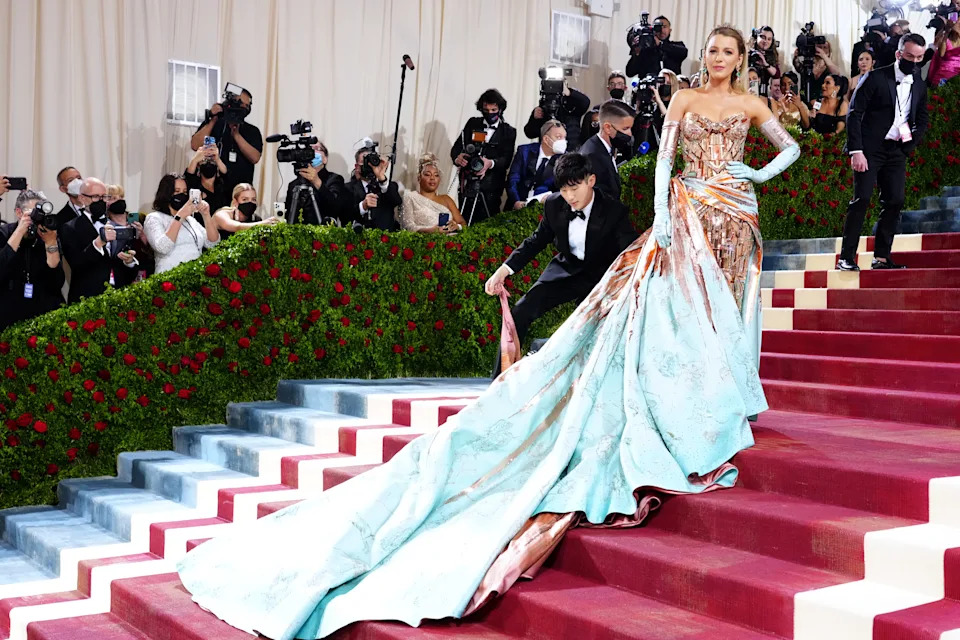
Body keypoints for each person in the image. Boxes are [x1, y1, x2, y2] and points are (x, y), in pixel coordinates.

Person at [176, 25, 795, 640]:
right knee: (680, 314)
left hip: (735, 215)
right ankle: (684, 406)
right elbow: (661, 166)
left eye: (726, 53)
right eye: (710, 50)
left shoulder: (750, 103)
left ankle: (722, 398)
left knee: (726, 309)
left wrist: (756, 176)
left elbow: (787, 149)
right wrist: (663, 216)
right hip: (686, 212)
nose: (716, 59)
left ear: (741, 60)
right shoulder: (683, 101)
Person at [488, 151, 638, 376]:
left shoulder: (613, 210)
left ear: (591, 181)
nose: (569, 196)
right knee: (521, 311)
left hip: (601, 277)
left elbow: (629, 252)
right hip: (566, 269)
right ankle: (499, 380)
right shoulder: (553, 205)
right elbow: (535, 241)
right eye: (564, 189)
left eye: (574, 188)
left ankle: (569, 373)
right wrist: (503, 270)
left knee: (584, 331)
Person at [840, 34, 929, 272]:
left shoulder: (919, 82)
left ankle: (881, 257)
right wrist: (856, 151)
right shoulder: (876, 77)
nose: (915, 61)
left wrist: (908, 146)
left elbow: (922, 118)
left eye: (920, 57)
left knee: (895, 200)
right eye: (911, 56)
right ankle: (846, 258)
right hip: (869, 150)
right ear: (899, 53)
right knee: (862, 200)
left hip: (896, 150)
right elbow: (854, 114)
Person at [60, 177, 138, 303]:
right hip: (88, 299)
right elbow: (77, 265)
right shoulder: (70, 228)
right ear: (82, 198)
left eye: (104, 197)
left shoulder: (116, 224)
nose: (101, 201)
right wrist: (98, 243)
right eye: (96, 197)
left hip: (120, 296)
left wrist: (129, 262)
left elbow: (122, 263)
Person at [0, 189, 64, 330]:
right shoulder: (5, 233)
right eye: (33, 213)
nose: (37, 219)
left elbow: (57, 282)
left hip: (43, 311)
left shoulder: (47, 235)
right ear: (19, 213)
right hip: (9, 312)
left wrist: (51, 243)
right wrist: (20, 231)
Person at [451, 89, 517, 223]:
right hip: (468, 184)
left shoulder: (508, 132)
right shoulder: (472, 124)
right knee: (464, 220)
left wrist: (490, 163)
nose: (490, 114)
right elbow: (456, 148)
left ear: (500, 109)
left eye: (494, 110)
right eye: (486, 110)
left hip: (492, 187)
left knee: (488, 223)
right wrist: (458, 158)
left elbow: (506, 160)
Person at [143, 173, 219, 273]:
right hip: (169, 279)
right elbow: (163, 247)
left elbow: (213, 243)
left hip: (194, 277)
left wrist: (206, 215)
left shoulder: (190, 220)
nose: (181, 195)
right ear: (166, 194)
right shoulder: (154, 218)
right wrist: (180, 216)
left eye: (184, 192)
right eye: (176, 191)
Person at [190, 87, 263, 190]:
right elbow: (195, 145)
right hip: (212, 188)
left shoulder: (252, 131)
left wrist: (236, 135)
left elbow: (255, 157)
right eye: (240, 103)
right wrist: (213, 119)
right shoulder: (215, 124)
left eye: (247, 106)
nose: (244, 108)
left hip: (239, 191)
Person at [578, 100, 635, 200]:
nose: (629, 134)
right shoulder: (593, 157)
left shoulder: (605, 149)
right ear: (608, 128)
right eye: (625, 128)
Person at [397, 153, 466, 233]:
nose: (432, 178)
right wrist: (432, 231)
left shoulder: (446, 199)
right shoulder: (410, 197)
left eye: (436, 175)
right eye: (427, 175)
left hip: (449, 241)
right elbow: (408, 226)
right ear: (419, 178)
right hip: (423, 242)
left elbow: (463, 224)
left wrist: (457, 226)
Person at [505, 120, 566, 210]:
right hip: (516, 205)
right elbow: (513, 179)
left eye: (564, 137)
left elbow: (563, 188)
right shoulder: (524, 151)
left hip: (545, 211)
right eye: (559, 137)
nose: (563, 141)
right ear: (546, 139)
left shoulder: (564, 160)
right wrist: (516, 201)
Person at [283, 140, 347, 225]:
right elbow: (289, 215)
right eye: (309, 149)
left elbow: (335, 207)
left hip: (323, 234)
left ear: (325, 159)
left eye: (317, 148)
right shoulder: (294, 185)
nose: (312, 151)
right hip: (298, 234)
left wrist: (316, 181)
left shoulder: (335, 179)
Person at [344, 142, 402, 231]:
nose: (369, 166)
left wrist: (381, 177)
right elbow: (344, 215)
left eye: (372, 162)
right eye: (365, 162)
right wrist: (363, 206)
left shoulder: (388, 186)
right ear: (357, 166)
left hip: (385, 240)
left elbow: (396, 201)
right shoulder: (347, 188)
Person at [104, 184, 153, 287]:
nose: (119, 200)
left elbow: (153, 249)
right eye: (113, 198)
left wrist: (143, 235)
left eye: (121, 197)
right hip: (120, 277)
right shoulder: (106, 224)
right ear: (106, 202)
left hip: (145, 272)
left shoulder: (139, 218)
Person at [522, 82, 589, 150]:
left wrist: (569, 92)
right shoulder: (543, 108)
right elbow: (530, 133)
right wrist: (535, 119)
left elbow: (585, 102)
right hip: (547, 150)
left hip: (570, 150)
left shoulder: (571, 107)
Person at [213, 183, 280, 241]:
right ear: (235, 202)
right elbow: (237, 227)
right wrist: (263, 223)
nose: (250, 203)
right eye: (245, 199)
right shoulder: (222, 214)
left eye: (253, 199)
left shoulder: (256, 219)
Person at [185, 142, 231, 220]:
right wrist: (195, 159)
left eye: (211, 161)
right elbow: (188, 176)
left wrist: (217, 158)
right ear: (198, 166)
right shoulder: (194, 187)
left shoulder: (223, 186)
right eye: (204, 160)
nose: (208, 162)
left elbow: (226, 174)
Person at [793, 38, 842, 103]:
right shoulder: (808, 64)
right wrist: (796, 57)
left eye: (825, 47)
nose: (822, 49)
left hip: (822, 103)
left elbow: (837, 74)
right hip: (805, 100)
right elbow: (798, 67)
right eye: (819, 47)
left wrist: (824, 56)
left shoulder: (829, 67)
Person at [749, 26, 782, 96]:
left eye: (769, 39)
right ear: (756, 37)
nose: (765, 41)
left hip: (763, 94)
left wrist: (765, 64)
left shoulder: (771, 56)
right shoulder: (748, 53)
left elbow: (777, 74)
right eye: (763, 37)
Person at [929, 19, 960, 87]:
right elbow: (941, 54)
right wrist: (946, 32)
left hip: (956, 76)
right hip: (942, 74)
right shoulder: (946, 39)